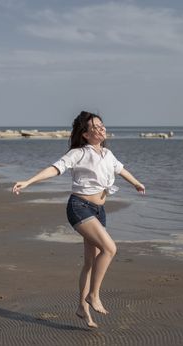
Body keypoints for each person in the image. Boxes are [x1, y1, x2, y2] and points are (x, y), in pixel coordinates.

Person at [12, 111, 145, 328]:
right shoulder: (79, 153)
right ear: (85, 134)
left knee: (90, 262)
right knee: (110, 249)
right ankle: (93, 296)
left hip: (99, 211)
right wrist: (28, 182)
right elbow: (55, 169)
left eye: (102, 125)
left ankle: (82, 308)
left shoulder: (108, 154)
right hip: (80, 207)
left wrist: (137, 183)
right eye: (95, 127)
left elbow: (121, 170)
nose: (101, 129)